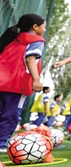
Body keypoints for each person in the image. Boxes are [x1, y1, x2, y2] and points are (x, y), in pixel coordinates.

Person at [0, 14, 46, 149]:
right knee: (11, 114)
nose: (44, 30)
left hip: (2, 80)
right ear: (35, 27)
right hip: (17, 84)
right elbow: (30, 59)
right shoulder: (37, 40)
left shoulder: (12, 38)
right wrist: (36, 79)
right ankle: (1, 143)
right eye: (43, 27)